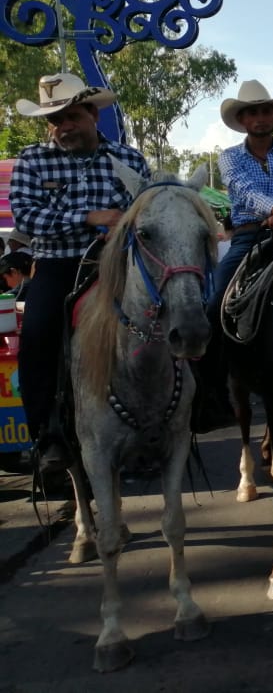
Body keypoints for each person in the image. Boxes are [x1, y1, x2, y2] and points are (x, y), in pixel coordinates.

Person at [9, 72, 151, 471]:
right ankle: (48, 435)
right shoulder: (33, 160)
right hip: (58, 264)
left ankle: (178, 417)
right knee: (37, 336)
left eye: (71, 116)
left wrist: (124, 225)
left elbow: (146, 212)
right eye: (55, 120)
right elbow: (29, 217)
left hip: (116, 264)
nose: (63, 127)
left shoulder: (130, 159)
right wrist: (90, 217)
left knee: (168, 317)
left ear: (92, 114)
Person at [194, 79, 273, 432]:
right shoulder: (230, 157)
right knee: (216, 302)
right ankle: (211, 393)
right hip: (249, 236)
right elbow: (245, 193)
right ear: (243, 119)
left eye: (266, 110)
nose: (261, 117)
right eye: (253, 112)